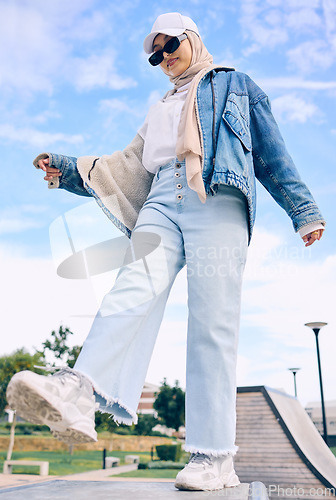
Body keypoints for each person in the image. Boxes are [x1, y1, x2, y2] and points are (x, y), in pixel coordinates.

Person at [7, 12, 325, 491]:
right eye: (155, 54)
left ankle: (213, 457)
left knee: (211, 323)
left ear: (192, 38)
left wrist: (303, 209)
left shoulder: (234, 84)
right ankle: (79, 390)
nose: (165, 57)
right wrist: (70, 170)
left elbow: (270, 150)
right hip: (161, 199)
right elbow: (127, 165)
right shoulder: (159, 108)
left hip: (216, 196)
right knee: (131, 287)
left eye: (171, 44)